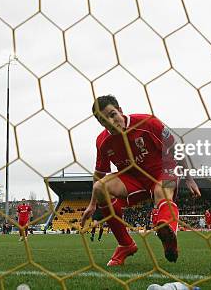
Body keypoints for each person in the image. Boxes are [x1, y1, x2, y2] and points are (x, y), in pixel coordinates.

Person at [80, 95, 201, 266]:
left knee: (161, 190)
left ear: (120, 111)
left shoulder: (148, 123)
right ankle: (125, 244)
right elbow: (99, 173)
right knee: (100, 187)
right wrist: (92, 204)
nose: (110, 121)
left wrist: (189, 178)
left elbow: (176, 148)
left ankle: (167, 234)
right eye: (103, 120)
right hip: (133, 180)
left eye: (112, 114)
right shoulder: (102, 141)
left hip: (163, 171)